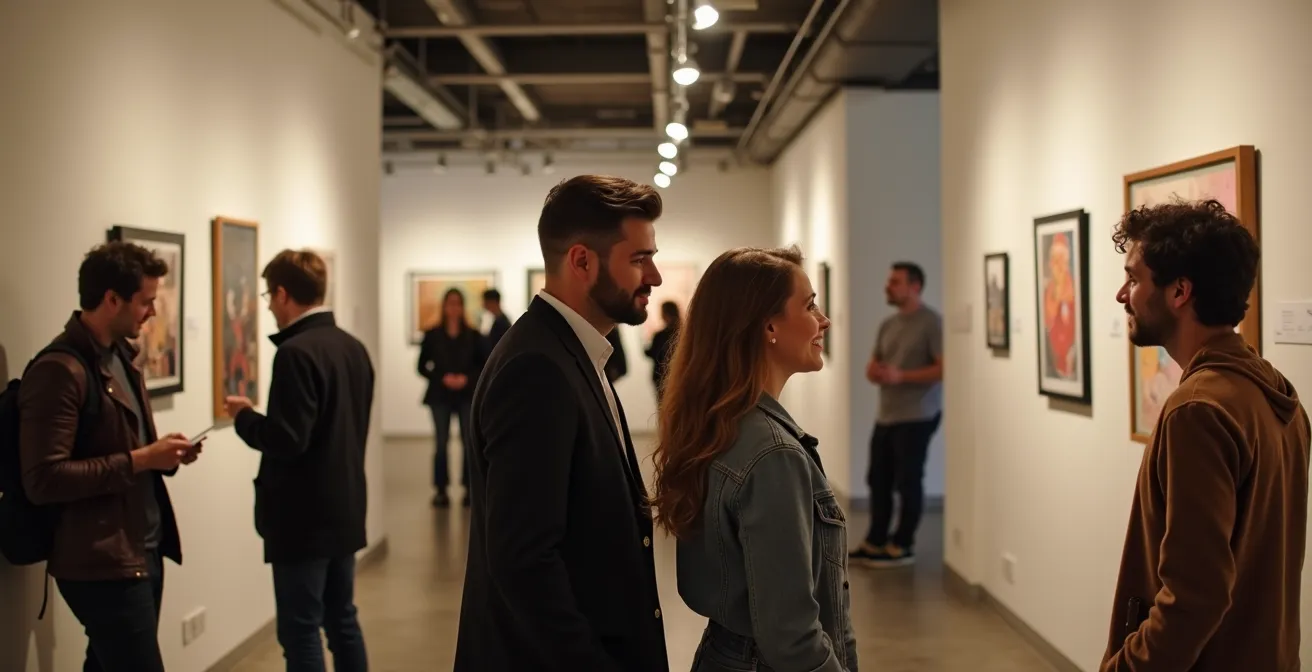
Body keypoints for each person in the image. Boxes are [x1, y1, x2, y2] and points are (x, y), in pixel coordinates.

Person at [453, 174, 669, 671]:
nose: (654, 276)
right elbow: (523, 561)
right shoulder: (537, 369)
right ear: (582, 261)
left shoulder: (572, 352)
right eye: (639, 259)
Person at [1101, 199, 1309, 672]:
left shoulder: (1196, 411)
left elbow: (1193, 597)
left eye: (1133, 279)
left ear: (1180, 291)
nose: (1121, 294)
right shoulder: (1277, 394)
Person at [650, 245, 856, 671]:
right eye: (810, 305)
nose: (824, 320)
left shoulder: (716, 424)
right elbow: (792, 638)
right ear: (769, 326)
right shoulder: (773, 455)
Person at [19, 242, 202, 672]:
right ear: (112, 299)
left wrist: (164, 455)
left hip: (138, 549)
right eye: (145, 301)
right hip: (101, 561)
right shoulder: (60, 370)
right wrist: (142, 459)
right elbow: (44, 478)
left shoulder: (121, 356)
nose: (153, 312)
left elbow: (124, 446)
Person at [224, 249, 375, 672]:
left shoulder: (295, 353)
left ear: (283, 294)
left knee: (300, 629)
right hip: (345, 508)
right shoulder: (353, 348)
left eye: (268, 297)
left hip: (302, 519)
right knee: (342, 619)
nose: (269, 307)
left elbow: (288, 440)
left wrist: (244, 417)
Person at [848, 261, 943, 568]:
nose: (887, 287)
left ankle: (903, 544)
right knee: (878, 479)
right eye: (889, 281)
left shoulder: (931, 323)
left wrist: (902, 376)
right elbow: (873, 363)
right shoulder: (888, 324)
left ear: (915, 286)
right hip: (887, 414)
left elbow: (943, 368)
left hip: (918, 415)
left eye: (895, 282)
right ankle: (875, 540)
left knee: (908, 481)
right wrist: (874, 372)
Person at [416, 288, 484, 507]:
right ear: (444, 307)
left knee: (469, 442)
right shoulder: (432, 335)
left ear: (462, 307)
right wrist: (442, 378)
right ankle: (441, 489)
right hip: (440, 396)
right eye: (450, 303)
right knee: (441, 442)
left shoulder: (474, 336)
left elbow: (483, 365)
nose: (453, 308)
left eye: (457, 304)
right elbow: (422, 366)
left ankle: (469, 488)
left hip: (466, 395)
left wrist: (466, 379)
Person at [644, 300, 679, 405]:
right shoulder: (683, 332)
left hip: (662, 378)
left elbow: (653, 353)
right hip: (679, 376)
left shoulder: (660, 335)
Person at [481, 288, 512, 353]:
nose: (483, 304)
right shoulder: (500, 320)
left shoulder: (501, 323)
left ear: (492, 302)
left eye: (485, 301)